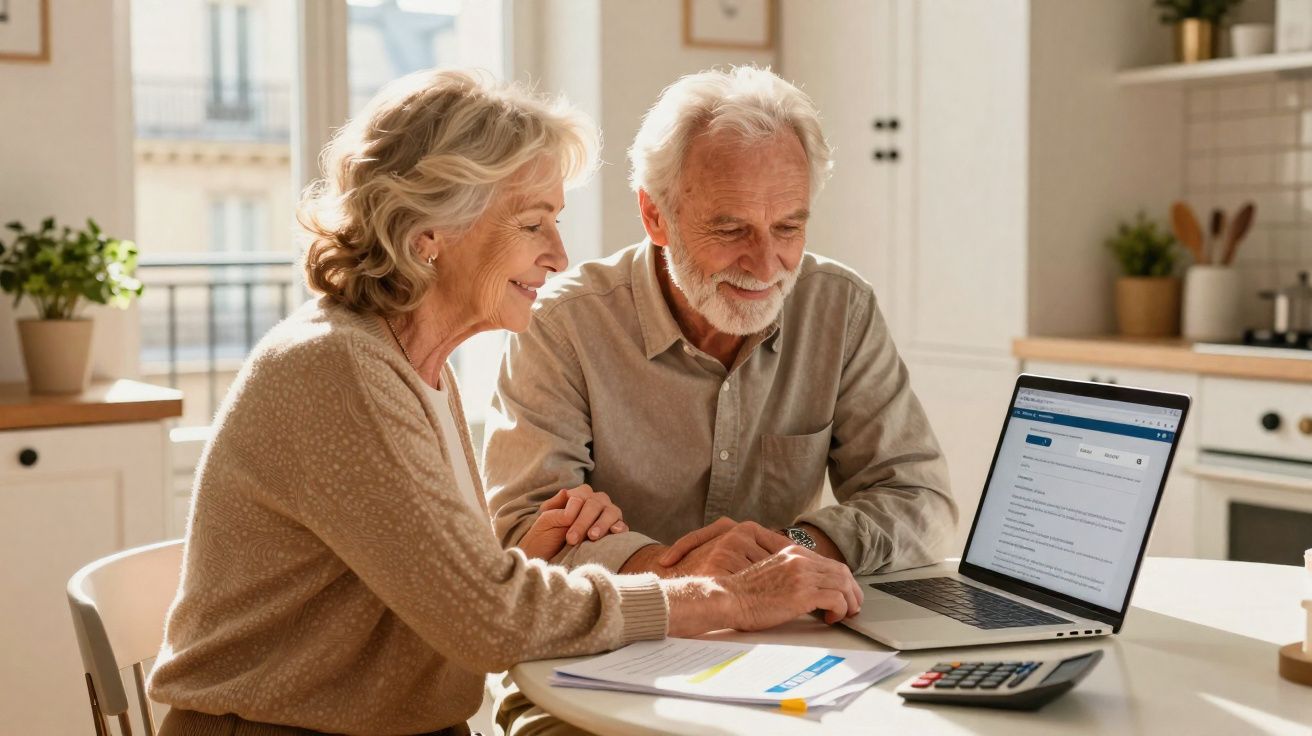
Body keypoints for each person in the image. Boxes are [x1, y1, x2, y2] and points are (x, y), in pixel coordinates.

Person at [146, 69, 863, 736]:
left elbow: (434, 584)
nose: (558, 253)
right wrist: (732, 600)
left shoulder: (410, 366)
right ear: (431, 233)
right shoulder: (336, 370)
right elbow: (488, 621)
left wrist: (525, 554)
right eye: (532, 222)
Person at [483, 66, 958, 733]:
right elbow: (522, 546)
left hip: (789, 672)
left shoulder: (840, 309)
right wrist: (686, 578)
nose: (765, 267)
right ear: (656, 214)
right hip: (587, 685)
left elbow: (922, 501)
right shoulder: (563, 326)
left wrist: (796, 548)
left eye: (788, 228)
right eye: (731, 230)